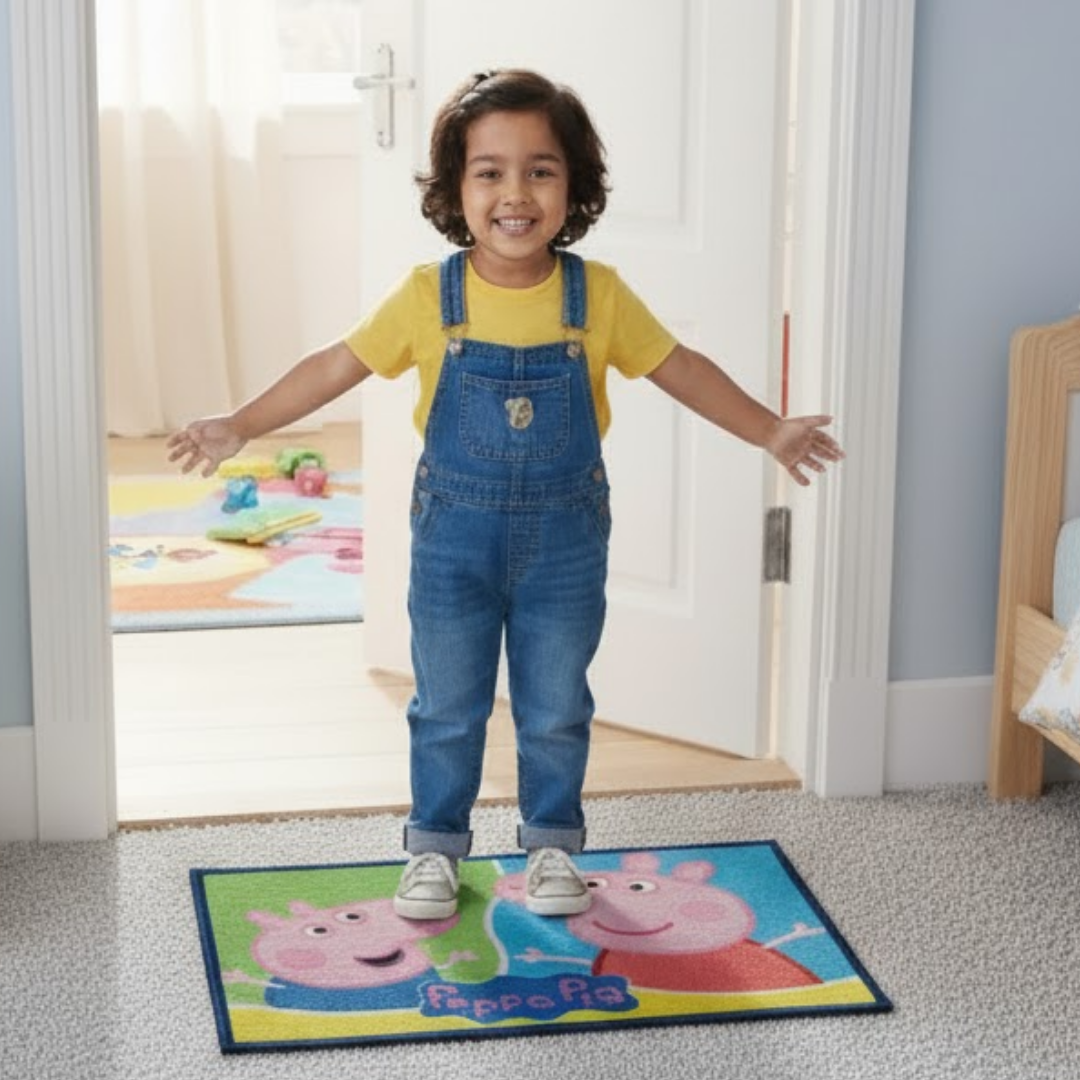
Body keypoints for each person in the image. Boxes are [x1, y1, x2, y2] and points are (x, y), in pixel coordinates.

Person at [167, 69, 844, 923]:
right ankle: (435, 848)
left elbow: (683, 370)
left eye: (540, 170)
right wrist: (242, 421)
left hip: (565, 545)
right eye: (489, 172)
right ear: (456, 189)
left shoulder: (595, 296)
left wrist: (768, 428)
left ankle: (553, 844)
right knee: (445, 704)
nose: (514, 193)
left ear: (575, 187)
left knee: (555, 704)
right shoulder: (428, 297)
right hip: (454, 540)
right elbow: (334, 364)